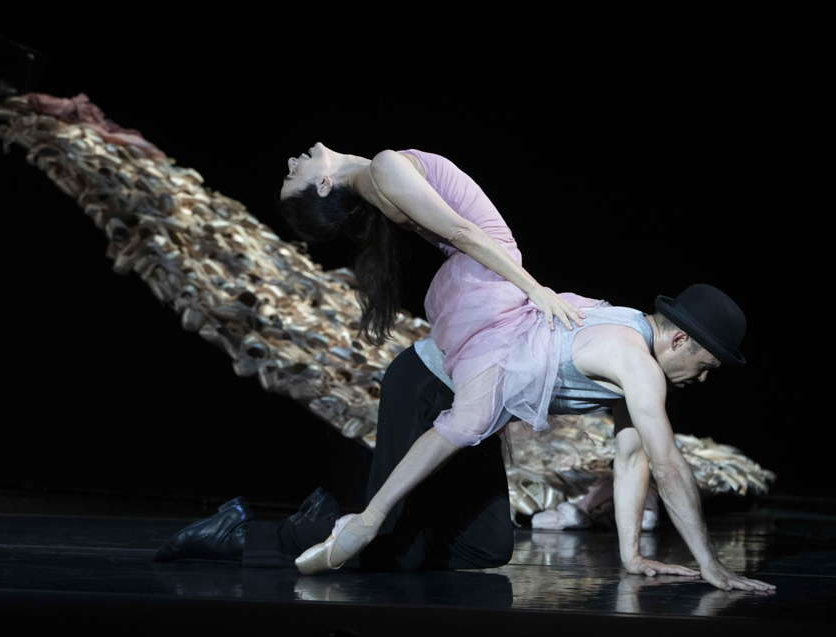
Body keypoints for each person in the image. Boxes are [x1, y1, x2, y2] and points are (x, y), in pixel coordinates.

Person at [154, 144, 774, 592]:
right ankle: (246, 533)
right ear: (682, 341)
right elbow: (667, 462)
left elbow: (635, 455)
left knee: (486, 548)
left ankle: (336, 516)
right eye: (710, 363)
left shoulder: (626, 344)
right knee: (383, 531)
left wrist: (633, 556)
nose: (705, 377)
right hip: (427, 386)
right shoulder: (627, 355)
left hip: (464, 383)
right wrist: (712, 567)